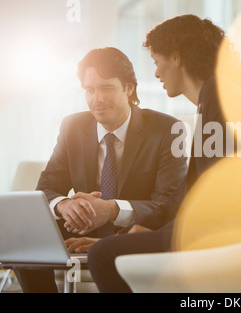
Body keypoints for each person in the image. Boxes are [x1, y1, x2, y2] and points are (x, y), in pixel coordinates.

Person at [88, 14, 241, 293]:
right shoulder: (216, 95)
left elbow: (219, 194)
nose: (156, 73)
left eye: (157, 61)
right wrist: (142, 229)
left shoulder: (219, 95)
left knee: (103, 256)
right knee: (109, 249)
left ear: (176, 57)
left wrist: (157, 235)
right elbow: (189, 191)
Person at [14, 47, 188, 293]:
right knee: (25, 237)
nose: (97, 98)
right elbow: (47, 188)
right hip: (79, 232)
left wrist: (112, 209)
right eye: (89, 89)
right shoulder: (72, 126)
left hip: (133, 236)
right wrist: (65, 205)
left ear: (129, 88)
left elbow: (169, 204)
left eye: (106, 88)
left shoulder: (169, 130)